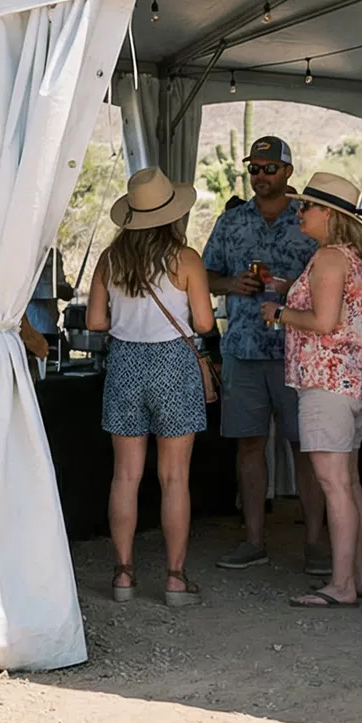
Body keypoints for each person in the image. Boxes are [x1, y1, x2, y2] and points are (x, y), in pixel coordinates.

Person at [87, 168, 214, 609]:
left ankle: (123, 574)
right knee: (174, 477)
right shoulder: (186, 258)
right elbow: (203, 323)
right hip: (173, 365)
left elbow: (95, 322)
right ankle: (175, 579)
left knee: (125, 476)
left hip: (125, 362)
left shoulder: (110, 259)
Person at [200, 136, 325, 574]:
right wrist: (232, 285)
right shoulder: (231, 222)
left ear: (289, 171)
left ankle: (316, 545)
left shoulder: (309, 220)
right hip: (244, 350)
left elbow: (334, 279)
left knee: (305, 447)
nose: (260, 176)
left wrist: (295, 291)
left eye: (269, 168)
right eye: (254, 168)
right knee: (249, 446)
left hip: (299, 350)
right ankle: (253, 540)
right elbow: (204, 275)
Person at [263, 173, 362, 608]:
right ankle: (356, 576)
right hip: (356, 378)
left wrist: (279, 314)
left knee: (333, 484)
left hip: (328, 380)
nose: (300, 212)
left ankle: (342, 584)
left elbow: (325, 322)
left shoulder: (329, 258)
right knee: (347, 482)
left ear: (329, 214)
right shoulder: (357, 258)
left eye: (307, 206)